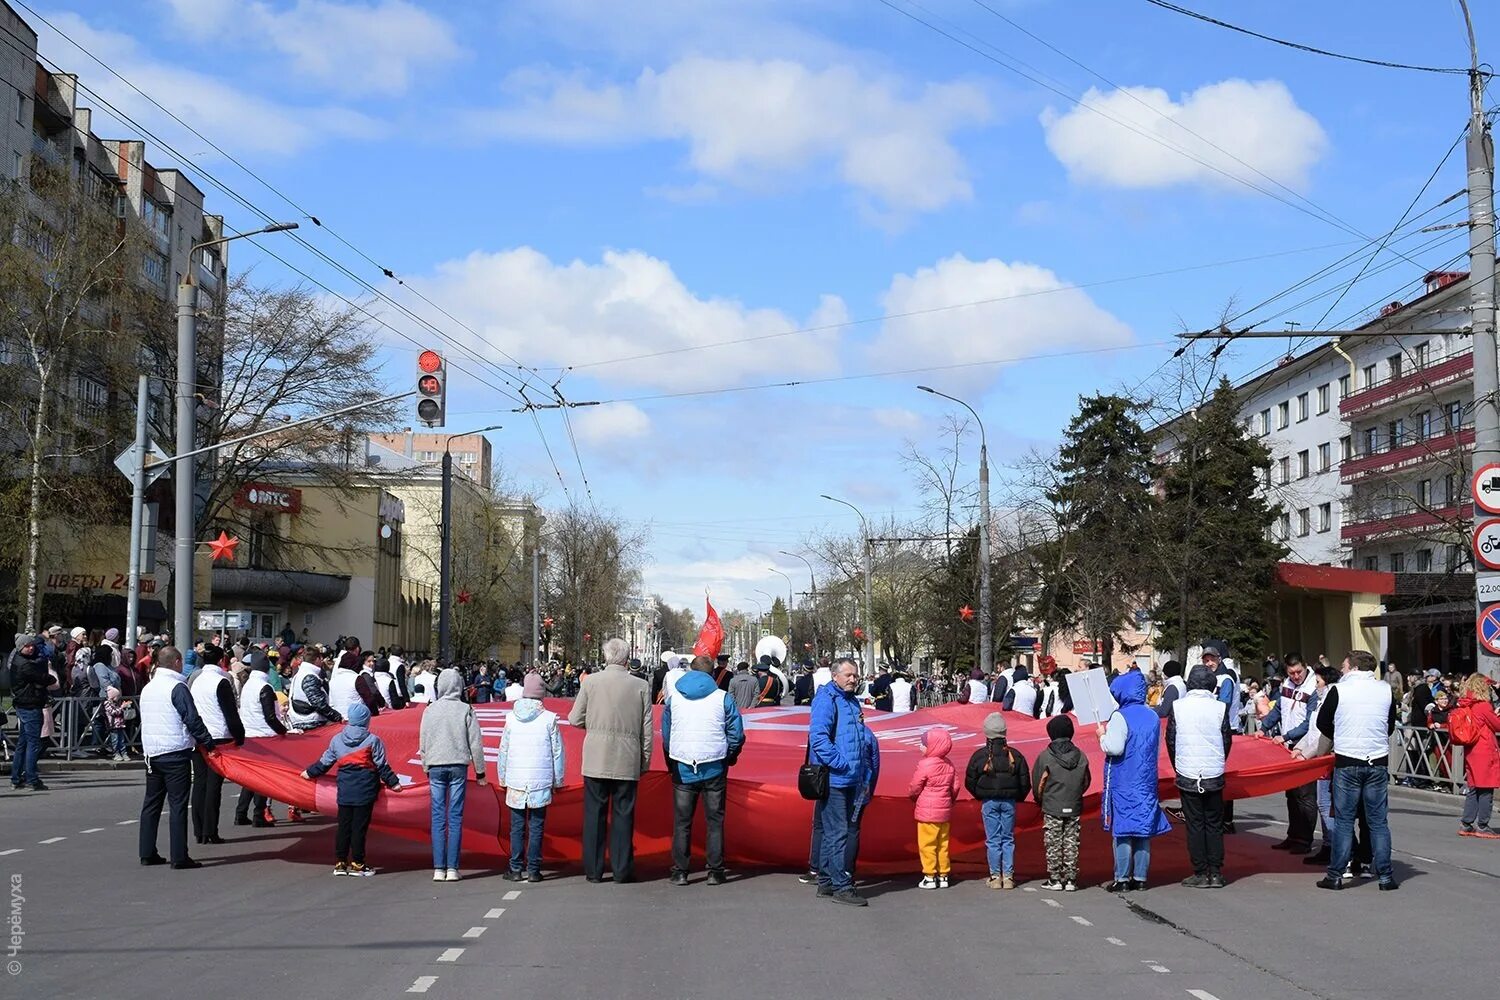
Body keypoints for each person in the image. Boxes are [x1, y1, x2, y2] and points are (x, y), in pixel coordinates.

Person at [569, 637, 652, 884]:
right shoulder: (641, 686)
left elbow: (574, 718)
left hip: (596, 756)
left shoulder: (591, 682)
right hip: (627, 758)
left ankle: (593, 871)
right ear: (627, 658)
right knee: (623, 816)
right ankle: (621, 869)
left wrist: (593, 726)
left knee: (594, 815)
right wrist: (645, 761)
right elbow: (646, 729)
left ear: (605, 657)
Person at [1315, 650, 1399, 891]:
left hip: (1347, 760)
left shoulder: (1338, 690)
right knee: (1378, 822)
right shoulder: (1385, 690)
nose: (1341, 670)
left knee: (1343, 821)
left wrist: (1340, 736)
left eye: (1343, 666)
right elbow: (1390, 724)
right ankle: (1385, 876)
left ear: (1352, 667)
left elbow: (1323, 722)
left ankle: (1336, 875)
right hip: (1377, 760)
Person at [662, 655, 746, 886]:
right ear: (712, 675)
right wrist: (730, 755)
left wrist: (671, 761)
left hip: (683, 765)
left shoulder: (674, 698)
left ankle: (680, 871)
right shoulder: (723, 698)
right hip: (714, 765)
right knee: (715, 820)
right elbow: (736, 733)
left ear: (690, 671)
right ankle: (715, 871)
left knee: (682, 822)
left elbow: (667, 736)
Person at [301, 702, 403, 876]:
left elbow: (325, 762)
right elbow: (382, 766)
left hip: (344, 790)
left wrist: (309, 773)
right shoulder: (373, 740)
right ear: (366, 721)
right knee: (359, 828)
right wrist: (394, 783)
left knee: (344, 827)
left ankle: (340, 863)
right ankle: (358, 863)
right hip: (365, 790)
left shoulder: (337, 739)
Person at [139, 646, 217, 869]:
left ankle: (147, 852)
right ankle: (179, 856)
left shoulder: (149, 687)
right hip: (175, 751)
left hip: (152, 753)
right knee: (178, 805)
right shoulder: (177, 686)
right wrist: (208, 742)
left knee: (151, 804)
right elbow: (192, 719)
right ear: (177, 662)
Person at [808, 657, 876, 906]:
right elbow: (819, 738)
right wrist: (841, 763)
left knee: (832, 832)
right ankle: (841, 886)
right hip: (837, 778)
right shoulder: (827, 700)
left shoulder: (850, 701)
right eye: (848, 675)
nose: (853, 679)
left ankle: (826, 881)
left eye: (855, 675)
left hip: (851, 778)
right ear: (835, 676)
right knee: (838, 833)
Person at [1098, 669, 1172, 891]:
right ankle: (1140, 878)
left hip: (1124, 778)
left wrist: (1101, 735)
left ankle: (1121, 878)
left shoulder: (1120, 716)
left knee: (1122, 830)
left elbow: (1114, 747)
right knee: (1142, 830)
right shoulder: (1152, 715)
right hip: (1146, 778)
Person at [1167, 665, 1233, 888]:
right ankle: (1215, 871)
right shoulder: (1220, 708)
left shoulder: (1178, 707)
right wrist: (1219, 761)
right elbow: (1226, 740)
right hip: (1214, 771)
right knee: (1214, 823)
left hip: (1187, 770)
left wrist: (1178, 764)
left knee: (1195, 823)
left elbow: (1171, 740)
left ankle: (1199, 871)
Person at [419, 668, 487, 882]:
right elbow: (475, 742)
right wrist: (480, 771)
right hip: (458, 764)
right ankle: (452, 868)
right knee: (455, 817)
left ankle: (438, 868)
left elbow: (423, 740)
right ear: (458, 685)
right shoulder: (465, 709)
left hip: (436, 764)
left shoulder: (430, 710)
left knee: (438, 816)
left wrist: (425, 765)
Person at [496, 672, 564, 882]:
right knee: (536, 826)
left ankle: (515, 868)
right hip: (540, 780)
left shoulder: (510, 718)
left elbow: (503, 750)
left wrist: (502, 777)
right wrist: (558, 780)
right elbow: (557, 752)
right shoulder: (549, 719)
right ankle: (534, 869)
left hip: (516, 779)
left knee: (516, 826)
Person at [1258, 653, 1320, 854]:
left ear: (1305, 666)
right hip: (1287, 747)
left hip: (1304, 746)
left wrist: (1286, 736)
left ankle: (1304, 839)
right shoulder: (1287, 684)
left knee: (1305, 795)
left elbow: (1309, 723)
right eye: (1291, 673)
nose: (1295, 676)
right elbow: (1278, 711)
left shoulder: (1313, 687)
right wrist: (1263, 727)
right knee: (1291, 794)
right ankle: (1293, 835)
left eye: (1298, 672)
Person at [965, 712, 1030, 889]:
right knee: (1007, 839)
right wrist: (1018, 797)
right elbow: (1025, 782)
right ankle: (1008, 877)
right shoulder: (1015, 755)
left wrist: (980, 794)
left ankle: (995, 877)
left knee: (993, 839)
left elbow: (970, 780)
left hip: (989, 802)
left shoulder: (980, 755)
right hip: (1009, 802)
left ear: (986, 732)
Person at [188, 644, 244, 845]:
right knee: (214, 785)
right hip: (219, 737)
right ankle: (210, 830)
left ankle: (199, 830)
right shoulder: (221, 681)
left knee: (200, 783)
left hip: (198, 735)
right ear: (222, 661)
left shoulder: (195, 679)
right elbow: (230, 713)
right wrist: (239, 736)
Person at [1032, 715, 1089, 891]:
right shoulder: (1081, 756)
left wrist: (1040, 800)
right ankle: (1071, 879)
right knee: (1072, 842)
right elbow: (1085, 781)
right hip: (1074, 804)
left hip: (1052, 804)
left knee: (1053, 842)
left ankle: (1055, 879)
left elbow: (1038, 783)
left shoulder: (1045, 757)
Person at [235, 649, 289, 827]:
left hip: (249, 735)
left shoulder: (248, 685)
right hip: (264, 737)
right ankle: (259, 815)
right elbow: (270, 717)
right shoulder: (265, 687)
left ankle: (240, 813)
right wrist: (283, 732)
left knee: (249, 778)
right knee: (262, 780)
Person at [909, 728, 961, 889]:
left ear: (932, 746)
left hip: (927, 812)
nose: (920, 746)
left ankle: (930, 876)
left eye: (923, 743)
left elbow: (915, 786)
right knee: (943, 844)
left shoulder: (925, 764)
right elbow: (955, 786)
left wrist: (913, 797)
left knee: (927, 844)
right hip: (944, 812)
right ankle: (943, 874)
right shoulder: (949, 764)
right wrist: (949, 800)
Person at [1454, 673, 1500, 838]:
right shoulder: (1483, 706)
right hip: (1484, 749)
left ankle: (1466, 823)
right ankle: (1483, 825)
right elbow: (1497, 725)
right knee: (1486, 789)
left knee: (1473, 787)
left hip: (1472, 749)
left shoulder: (1467, 704)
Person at [1202, 641, 1240, 832]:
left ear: (1219, 659)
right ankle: (1216, 818)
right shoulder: (1210, 678)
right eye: (1206, 660)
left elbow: (1223, 705)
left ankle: (1226, 820)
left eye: (1212, 659)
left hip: (1226, 730)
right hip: (1212, 730)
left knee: (1222, 776)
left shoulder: (1225, 678)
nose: (1209, 663)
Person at [8, 635, 51, 791]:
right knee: (33, 743)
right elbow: (44, 678)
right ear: (20, 647)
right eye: (27, 646)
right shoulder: (25, 665)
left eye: (32, 645)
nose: (31, 648)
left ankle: (16, 777)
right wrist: (48, 678)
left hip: (24, 704)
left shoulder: (19, 660)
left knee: (23, 742)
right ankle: (32, 778)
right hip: (30, 705)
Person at [286, 650, 341, 730]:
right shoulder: (309, 676)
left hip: (301, 719)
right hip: (309, 721)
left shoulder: (300, 674)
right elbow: (318, 703)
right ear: (318, 659)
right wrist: (337, 717)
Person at [103, 686, 130, 761]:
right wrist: (122, 707)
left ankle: (124, 753)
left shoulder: (116, 703)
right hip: (113, 725)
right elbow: (114, 712)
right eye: (117, 696)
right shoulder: (107, 703)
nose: (118, 697)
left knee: (121, 740)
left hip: (120, 724)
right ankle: (116, 753)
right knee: (115, 740)